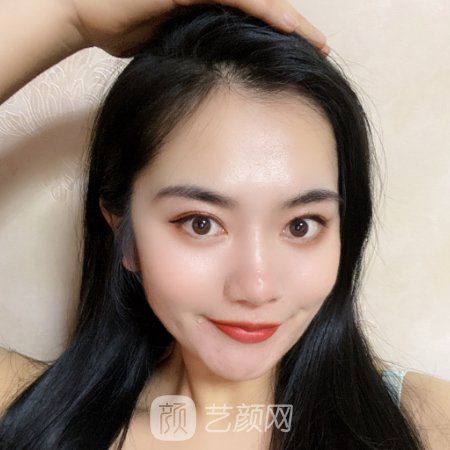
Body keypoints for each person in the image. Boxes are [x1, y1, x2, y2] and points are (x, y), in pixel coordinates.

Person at [0, 1, 449, 449]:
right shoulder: (38, 421)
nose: (256, 288)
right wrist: (71, 14)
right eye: (201, 224)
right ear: (125, 234)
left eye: (301, 225)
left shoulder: (429, 423)